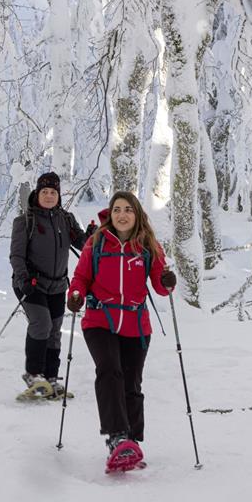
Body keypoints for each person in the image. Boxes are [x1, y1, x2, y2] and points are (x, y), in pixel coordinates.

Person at [66, 191, 177, 469]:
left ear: (137, 214)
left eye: (128, 209)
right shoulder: (97, 242)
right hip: (99, 319)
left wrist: (166, 280)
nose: (122, 214)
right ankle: (117, 438)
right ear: (111, 214)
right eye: (117, 209)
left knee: (131, 382)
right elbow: (81, 277)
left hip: (135, 324)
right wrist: (76, 294)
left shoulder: (148, 246)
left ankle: (132, 441)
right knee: (109, 370)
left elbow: (162, 288)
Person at [9, 172, 90, 398]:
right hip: (30, 284)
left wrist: (92, 236)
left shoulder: (66, 219)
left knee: (55, 331)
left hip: (57, 285)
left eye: (53, 192)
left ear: (58, 195)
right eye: (44, 191)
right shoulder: (25, 221)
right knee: (42, 324)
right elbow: (16, 256)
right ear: (37, 193)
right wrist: (23, 278)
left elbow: (83, 244)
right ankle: (33, 374)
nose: (49, 195)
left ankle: (51, 378)